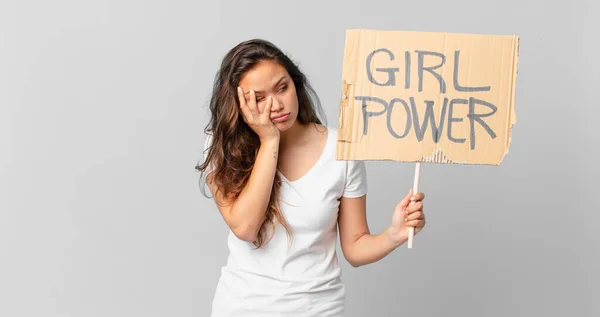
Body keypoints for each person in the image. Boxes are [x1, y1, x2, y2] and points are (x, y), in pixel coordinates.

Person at [196, 39, 426, 317]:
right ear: (239, 104)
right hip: (243, 307)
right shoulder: (222, 146)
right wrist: (269, 141)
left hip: (318, 310)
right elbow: (246, 227)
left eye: (283, 87)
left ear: (296, 84)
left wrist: (395, 234)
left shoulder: (341, 150)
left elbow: (355, 247)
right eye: (259, 98)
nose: (276, 104)